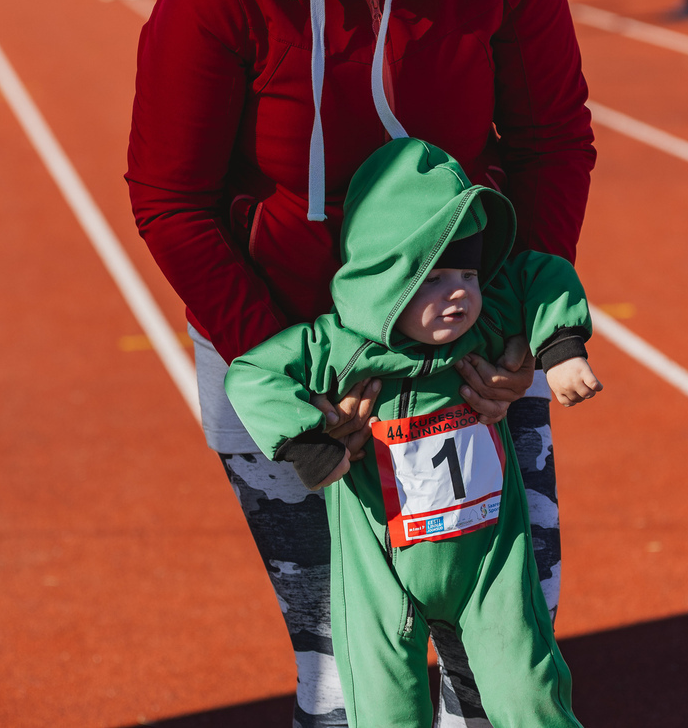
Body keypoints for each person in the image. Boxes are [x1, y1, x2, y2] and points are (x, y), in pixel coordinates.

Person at [127, 0, 596, 722]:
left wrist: (518, 328)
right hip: (286, 370)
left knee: (507, 665)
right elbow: (171, 200)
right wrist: (291, 372)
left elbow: (552, 139)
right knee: (348, 679)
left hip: (472, 358)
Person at [225, 139, 598, 727]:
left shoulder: (483, 324)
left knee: (529, 690)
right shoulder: (340, 347)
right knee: (384, 704)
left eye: (468, 273)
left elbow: (540, 273)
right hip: (381, 568)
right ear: (386, 278)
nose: (459, 292)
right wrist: (308, 441)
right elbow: (253, 374)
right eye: (434, 278)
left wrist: (561, 348)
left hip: (490, 560)